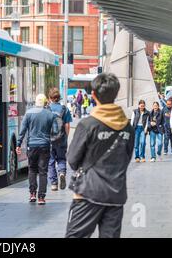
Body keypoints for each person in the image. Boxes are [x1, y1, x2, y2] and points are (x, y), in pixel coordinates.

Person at [65, 73, 134, 238]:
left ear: (94, 95)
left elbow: (73, 160)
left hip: (88, 192)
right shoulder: (127, 127)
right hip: (116, 194)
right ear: (116, 94)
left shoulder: (87, 125)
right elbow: (127, 157)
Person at [16, 94, 54, 205]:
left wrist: (18, 144)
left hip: (32, 146)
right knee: (43, 172)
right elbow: (55, 131)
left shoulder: (29, 113)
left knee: (32, 170)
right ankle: (41, 197)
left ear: (35, 102)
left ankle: (32, 194)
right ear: (45, 102)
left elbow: (22, 130)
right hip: (45, 146)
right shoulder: (50, 114)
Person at [47, 88, 72, 191]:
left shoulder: (47, 109)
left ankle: (53, 183)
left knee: (51, 161)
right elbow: (67, 125)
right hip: (61, 139)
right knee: (61, 158)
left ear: (50, 98)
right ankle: (61, 172)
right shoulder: (64, 109)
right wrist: (66, 137)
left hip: (50, 139)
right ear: (59, 98)